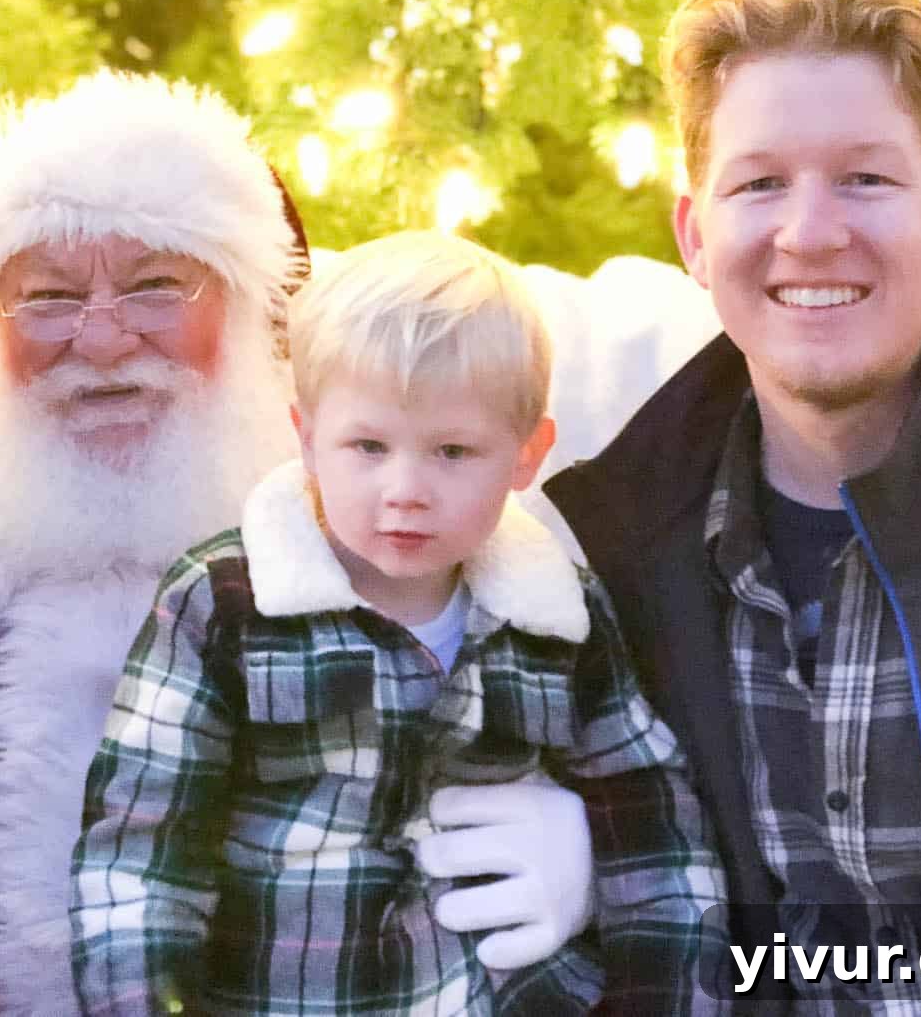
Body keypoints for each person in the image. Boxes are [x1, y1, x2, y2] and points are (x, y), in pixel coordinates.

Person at [0, 70, 601, 1016]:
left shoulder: (397, 524)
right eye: (48, 297)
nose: (100, 343)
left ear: (257, 305)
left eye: (156, 287)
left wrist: (597, 847)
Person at [544, 0, 921, 1009]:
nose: (809, 232)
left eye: (867, 178)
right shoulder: (614, 555)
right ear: (696, 238)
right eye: (759, 184)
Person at [70, 230, 723, 1015]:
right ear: (308, 437)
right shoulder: (223, 604)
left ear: (527, 454)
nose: (405, 489)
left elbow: (658, 830)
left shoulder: (559, 618)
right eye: (369, 446)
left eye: (452, 452)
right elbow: (140, 866)